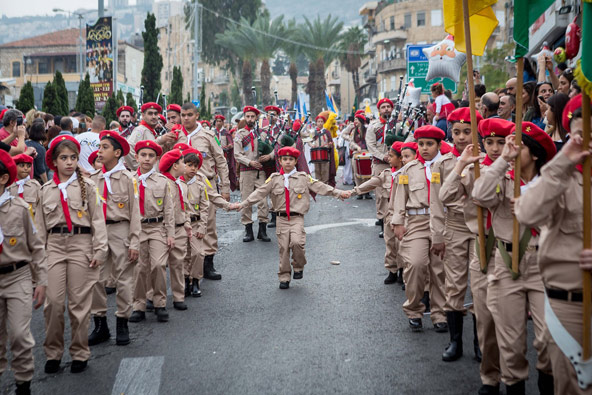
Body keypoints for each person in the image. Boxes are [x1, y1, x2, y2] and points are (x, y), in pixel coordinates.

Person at [515, 94, 591, 394]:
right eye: (581, 134)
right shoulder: (562, 177)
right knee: (571, 387)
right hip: (568, 303)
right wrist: (562, 164)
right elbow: (527, 211)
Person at [472, 122, 555, 394]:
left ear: (533, 154)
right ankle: (512, 383)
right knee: (511, 344)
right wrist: (503, 161)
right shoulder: (503, 178)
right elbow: (480, 195)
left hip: (545, 264)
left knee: (548, 339)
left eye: (517, 146)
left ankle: (548, 378)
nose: (510, 148)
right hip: (507, 264)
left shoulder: (551, 182)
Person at [440, 117, 512, 394]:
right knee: (474, 302)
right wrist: (462, 164)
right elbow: (445, 196)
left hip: (508, 245)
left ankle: (504, 366)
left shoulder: (518, 168)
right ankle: (481, 366)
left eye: (500, 142)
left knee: (503, 313)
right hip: (476, 239)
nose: (494, 148)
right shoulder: (474, 169)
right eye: (489, 142)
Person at [230, 147, 351, 289]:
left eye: (291, 159)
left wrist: (338, 193)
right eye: (285, 159)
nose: (288, 162)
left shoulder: (303, 177)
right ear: (280, 161)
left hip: (296, 218)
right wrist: (243, 204)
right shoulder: (274, 179)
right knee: (284, 249)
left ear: (295, 161)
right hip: (281, 219)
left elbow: (320, 186)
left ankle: (298, 266)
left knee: (297, 243)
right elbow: (259, 193)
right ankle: (284, 276)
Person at [37, 135, 108, 374]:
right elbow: (38, 228)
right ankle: (53, 353)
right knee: (54, 304)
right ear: (54, 161)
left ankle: (79, 352)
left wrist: (99, 249)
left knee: (79, 304)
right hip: (54, 245)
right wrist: (38, 261)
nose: (69, 162)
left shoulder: (87, 186)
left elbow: (98, 219)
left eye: (73, 158)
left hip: (81, 243)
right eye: (63, 158)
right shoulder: (45, 190)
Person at [429, 107, 483, 362]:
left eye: (467, 131)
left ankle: (481, 342)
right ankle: (455, 341)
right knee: (454, 285)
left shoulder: (488, 160)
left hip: (484, 227)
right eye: (456, 131)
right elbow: (437, 203)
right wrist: (437, 236)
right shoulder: (442, 163)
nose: (461, 137)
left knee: (482, 285)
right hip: (456, 226)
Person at [392, 125, 448, 332]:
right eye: (421, 144)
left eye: (430, 144)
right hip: (416, 223)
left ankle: (439, 314)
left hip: (442, 222)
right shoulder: (408, 169)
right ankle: (414, 309)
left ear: (439, 145)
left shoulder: (448, 166)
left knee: (439, 270)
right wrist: (398, 221)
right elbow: (400, 197)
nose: (424, 148)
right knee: (415, 264)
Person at [0, 150, 46, 395]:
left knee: (19, 334)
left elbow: (36, 246)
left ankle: (23, 382)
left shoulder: (19, 208)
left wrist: (41, 281)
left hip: (17, 275)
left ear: (3, 178)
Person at [88, 131, 140, 346]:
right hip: (97, 234)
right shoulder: (92, 180)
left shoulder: (129, 179)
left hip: (120, 230)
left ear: (117, 153)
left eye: (105, 148)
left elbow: (136, 212)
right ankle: (100, 324)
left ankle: (122, 322)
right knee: (95, 279)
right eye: (99, 147)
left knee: (124, 278)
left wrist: (135, 241)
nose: (99, 151)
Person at [181, 102, 230, 280]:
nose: (186, 118)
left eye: (189, 115)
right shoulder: (176, 136)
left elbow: (221, 161)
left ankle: (208, 263)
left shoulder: (208, 136)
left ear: (196, 115)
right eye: (183, 115)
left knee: (207, 224)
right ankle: (187, 266)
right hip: (183, 187)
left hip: (206, 186)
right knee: (184, 223)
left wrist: (225, 187)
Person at [129, 141, 175, 323]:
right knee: (139, 268)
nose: (147, 159)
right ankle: (138, 305)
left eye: (151, 156)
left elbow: (169, 210)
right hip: (138, 229)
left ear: (156, 159)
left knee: (158, 265)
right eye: (143, 155)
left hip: (156, 228)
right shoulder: (130, 179)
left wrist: (170, 233)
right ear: (137, 157)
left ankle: (160, 303)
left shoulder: (162, 181)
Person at [354, 141, 403, 283]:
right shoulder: (387, 173)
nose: (388, 157)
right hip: (389, 214)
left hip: (403, 214)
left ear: (400, 159)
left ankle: (402, 271)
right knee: (390, 243)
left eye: (392, 156)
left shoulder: (408, 174)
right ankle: (392, 270)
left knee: (402, 244)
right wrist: (354, 191)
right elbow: (372, 182)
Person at [159, 149, 191, 311]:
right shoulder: (164, 184)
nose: (185, 165)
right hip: (164, 229)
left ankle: (179, 296)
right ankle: (155, 297)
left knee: (178, 264)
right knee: (156, 266)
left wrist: (186, 224)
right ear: (174, 165)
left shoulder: (179, 183)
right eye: (182, 162)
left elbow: (182, 207)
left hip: (179, 227)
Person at [233, 106, 271, 243]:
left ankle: (263, 230)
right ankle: (248, 230)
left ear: (256, 118)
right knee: (246, 201)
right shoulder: (240, 134)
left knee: (263, 201)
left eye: (252, 116)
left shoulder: (262, 133)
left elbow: (271, 147)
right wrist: (249, 162)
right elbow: (237, 154)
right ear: (244, 117)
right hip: (246, 172)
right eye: (247, 116)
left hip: (260, 172)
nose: (250, 119)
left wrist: (268, 156)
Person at [180, 149, 210, 297]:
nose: (193, 169)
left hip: (196, 223)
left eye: (195, 166)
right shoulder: (177, 184)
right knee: (184, 254)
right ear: (182, 165)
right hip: (181, 225)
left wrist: (203, 226)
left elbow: (205, 207)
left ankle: (196, 280)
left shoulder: (200, 185)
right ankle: (186, 280)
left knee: (197, 253)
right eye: (189, 165)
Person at [366, 98, 394, 234]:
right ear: (379, 110)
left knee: (396, 193)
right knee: (382, 195)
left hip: (397, 165)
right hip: (380, 165)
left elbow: (410, 138)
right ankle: (384, 225)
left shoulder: (399, 125)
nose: (386, 109)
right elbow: (371, 146)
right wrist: (383, 156)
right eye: (383, 107)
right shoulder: (373, 126)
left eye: (388, 106)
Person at [126, 103, 178, 170]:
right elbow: (129, 149)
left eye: (156, 114)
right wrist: (139, 168)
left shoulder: (151, 131)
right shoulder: (140, 130)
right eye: (150, 114)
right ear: (143, 115)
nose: (153, 117)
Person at [342, 111, 371, 198]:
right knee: (356, 174)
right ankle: (359, 192)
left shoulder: (367, 129)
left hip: (366, 152)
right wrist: (356, 147)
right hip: (356, 153)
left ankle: (367, 192)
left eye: (357, 120)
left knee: (367, 174)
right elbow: (351, 142)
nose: (355, 121)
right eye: (355, 120)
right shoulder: (353, 130)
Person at [309, 113, 335, 185]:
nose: (320, 123)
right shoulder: (313, 132)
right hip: (316, 154)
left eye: (321, 122)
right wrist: (312, 145)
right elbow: (309, 140)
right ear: (316, 122)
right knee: (317, 170)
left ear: (323, 123)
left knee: (325, 169)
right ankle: (319, 185)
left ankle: (325, 184)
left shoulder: (327, 132)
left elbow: (330, 142)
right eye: (318, 121)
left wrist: (329, 145)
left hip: (325, 154)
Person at [214, 114, 237, 192]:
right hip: (214, 158)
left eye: (220, 121)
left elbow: (231, 144)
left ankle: (224, 191)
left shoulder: (226, 132)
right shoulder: (212, 132)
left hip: (225, 157)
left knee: (224, 175)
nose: (218, 123)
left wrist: (226, 147)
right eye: (217, 121)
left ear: (223, 122)